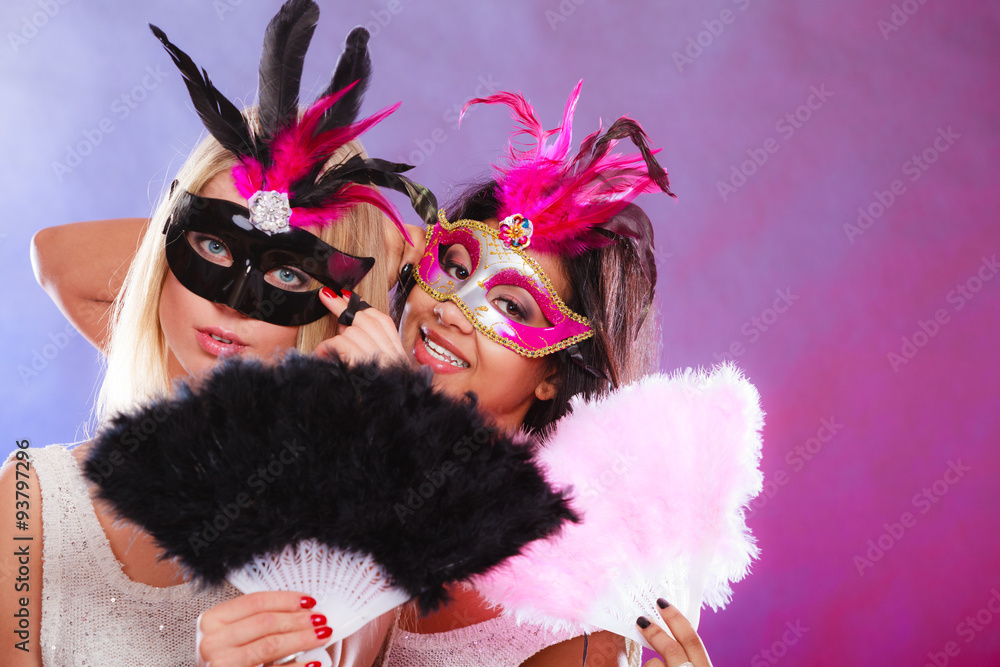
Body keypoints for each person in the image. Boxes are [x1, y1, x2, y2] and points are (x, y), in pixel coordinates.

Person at [195, 82, 687, 667]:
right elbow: (79, 268)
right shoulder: (322, 402)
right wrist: (371, 239)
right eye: (453, 267)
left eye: (510, 306)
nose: (451, 308)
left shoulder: (574, 606)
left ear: (552, 376)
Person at [0, 2, 434, 665]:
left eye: (288, 277)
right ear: (166, 248)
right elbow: (57, 254)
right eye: (210, 244)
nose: (234, 307)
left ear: (335, 306)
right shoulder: (30, 500)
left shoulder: (352, 551)